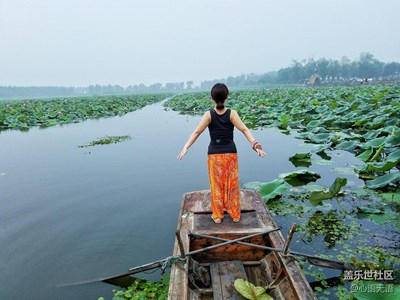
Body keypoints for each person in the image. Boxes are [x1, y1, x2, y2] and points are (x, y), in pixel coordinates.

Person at [177, 83, 266, 224]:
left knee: (216, 185)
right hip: (230, 154)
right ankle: (235, 215)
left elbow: (196, 132)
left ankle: (218, 216)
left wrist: (186, 147)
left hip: (214, 156)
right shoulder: (232, 113)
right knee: (232, 185)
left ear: (212, 98)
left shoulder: (209, 115)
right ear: (226, 97)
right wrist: (256, 146)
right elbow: (245, 130)